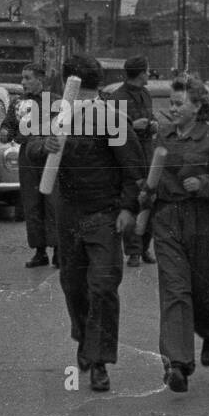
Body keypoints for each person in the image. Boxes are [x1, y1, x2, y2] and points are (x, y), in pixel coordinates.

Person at [27, 54, 144, 393]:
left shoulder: (112, 120)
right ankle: (84, 335)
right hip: (69, 214)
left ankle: (99, 361)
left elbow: (132, 170)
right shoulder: (55, 115)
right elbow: (31, 146)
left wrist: (127, 209)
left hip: (104, 214)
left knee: (104, 287)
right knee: (73, 285)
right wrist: (42, 145)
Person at [144, 77, 209, 392]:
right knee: (175, 289)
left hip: (206, 224)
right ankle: (178, 364)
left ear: (198, 106)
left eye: (178, 103)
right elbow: (151, 174)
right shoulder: (163, 136)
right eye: (170, 104)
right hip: (168, 218)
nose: (172, 109)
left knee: (199, 288)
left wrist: (205, 185)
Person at [0, 64, 58, 267]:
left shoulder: (56, 101)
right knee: (32, 203)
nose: (23, 82)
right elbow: (7, 126)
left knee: (53, 202)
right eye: (22, 78)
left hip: (51, 155)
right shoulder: (18, 103)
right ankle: (40, 252)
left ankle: (59, 250)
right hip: (28, 157)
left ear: (41, 80)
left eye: (27, 78)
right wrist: (5, 133)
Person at [108, 55, 156, 266]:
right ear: (140, 73)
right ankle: (133, 251)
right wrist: (132, 126)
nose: (149, 74)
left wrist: (152, 124)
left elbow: (151, 117)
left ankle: (145, 247)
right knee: (131, 199)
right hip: (129, 156)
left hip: (148, 153)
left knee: (149, 200)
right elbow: (113, 132)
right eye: (146, 70)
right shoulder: (117, 98)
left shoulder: (146, 94)